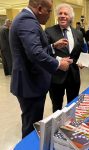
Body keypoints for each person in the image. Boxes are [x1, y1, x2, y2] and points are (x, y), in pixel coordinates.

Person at [9, 0, 71, 138]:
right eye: (49, 11)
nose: (50, 15)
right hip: (29, 84)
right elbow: (35, 53)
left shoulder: (27, 19)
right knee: (31, 127)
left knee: (33, 122)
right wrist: (58, 64)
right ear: (40, 8)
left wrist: (52, 46)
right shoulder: (27, 21)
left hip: (31, 83)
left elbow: (32, 49)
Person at [45, 3, 84, 112]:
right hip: (56, 76)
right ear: (57, 16)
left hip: (74, 75)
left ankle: (70, 125)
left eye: (65, 14)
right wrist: (58, 59)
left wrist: (80, 62)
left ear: (70, 17)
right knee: (57, 106)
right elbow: (43, 52)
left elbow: (78, 53)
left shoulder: (78, 34)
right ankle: (57, 127)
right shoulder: (49, 31)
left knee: (73, 105)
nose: (62, 16)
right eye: (60, 13)